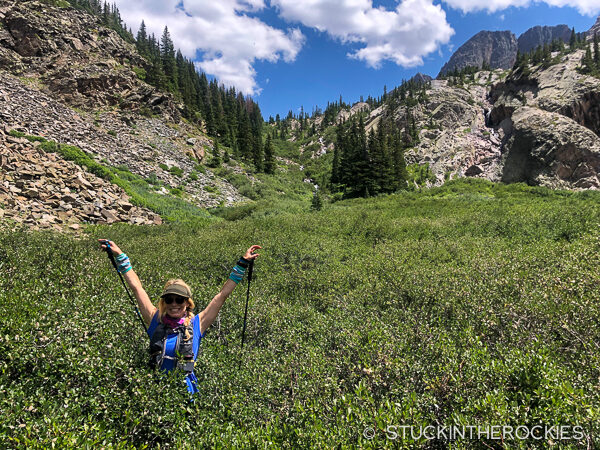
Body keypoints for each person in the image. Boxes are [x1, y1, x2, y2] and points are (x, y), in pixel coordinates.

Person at [98, 239, 261, 393]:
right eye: (169, 299)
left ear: (187, 303)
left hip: (186, 396)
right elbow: (137, 288)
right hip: (155, 393)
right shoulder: (155, 319)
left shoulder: (198, 324)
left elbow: (222, 295)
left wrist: (242, 264)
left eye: (179, 300)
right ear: (164, 302)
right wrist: (119, 256)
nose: (174, 304)